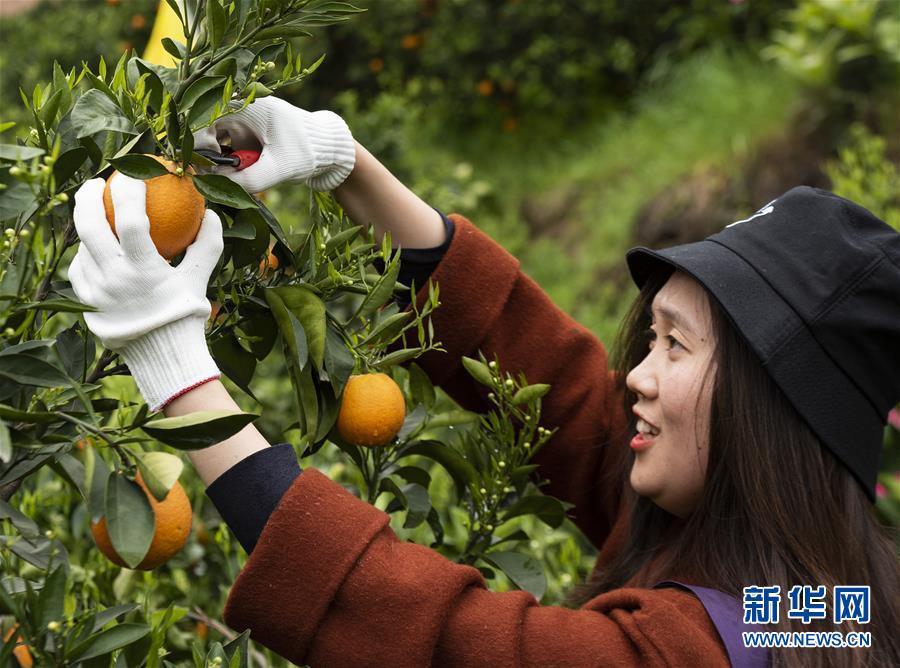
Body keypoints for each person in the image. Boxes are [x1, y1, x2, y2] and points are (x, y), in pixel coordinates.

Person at [67, 96, 900, 667]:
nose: (634, 378)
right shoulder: (824, 603)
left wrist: (179, 374)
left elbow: (446, 644)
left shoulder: (697, 650)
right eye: (649, 338)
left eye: (674, 348)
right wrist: (346, 164)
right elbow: (556, 383)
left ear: (772, 414)